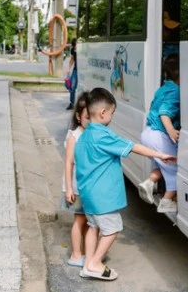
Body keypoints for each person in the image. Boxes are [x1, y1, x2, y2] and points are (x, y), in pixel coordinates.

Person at [74, 88, 176, 281]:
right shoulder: (103, 135)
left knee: (93, 226)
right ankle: (95, 263)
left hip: (88, 195)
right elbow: (133, 147)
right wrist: (160, 154)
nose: (112, 116)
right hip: (103, 197)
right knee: (112, 229)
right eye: (112, 113)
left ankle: (88, 263)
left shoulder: (85, 135)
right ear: (103, 113)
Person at [137, 54, 180, 213]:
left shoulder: (163, 88)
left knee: (161, 165)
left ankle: (149, 183)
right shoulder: (176, 91)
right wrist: (172, 132)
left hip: (147, 133)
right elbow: (164, 113)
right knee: (176, 167)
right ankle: (167, 201)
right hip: (159, 136)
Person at [62, 92, 90, 267]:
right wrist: (69, 189)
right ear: (79, 117)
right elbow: (68, 164)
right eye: (88, 117)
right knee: (79, 220)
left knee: (88, 221)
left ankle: (87, 252)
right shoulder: (74, 136)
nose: (91, 121)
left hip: (87, 187)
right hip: (77, 187)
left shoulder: (90, 135)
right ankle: (75, 254)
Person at [66, 39, 78, 110]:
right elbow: (72, 59)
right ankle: (72, 103)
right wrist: (69, 68)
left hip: (85, 70)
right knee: (72, 87)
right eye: (75, 46)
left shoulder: (84, 49)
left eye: (76, 46)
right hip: (75, 70)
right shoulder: (73, 50)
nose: (76, 48)